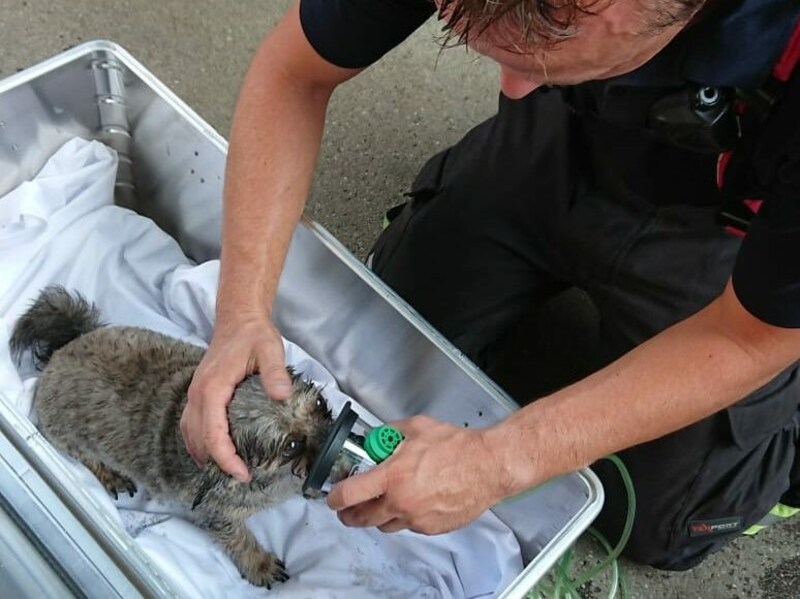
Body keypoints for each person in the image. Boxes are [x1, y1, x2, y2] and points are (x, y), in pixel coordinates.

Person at [180, 0, 800, 570]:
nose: (510, 88)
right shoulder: (541, 79)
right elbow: (294, 72)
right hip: (572, 138)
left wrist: (500, 461)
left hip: (735, 228)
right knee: (386, 353)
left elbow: (751, 338)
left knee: (655, 527)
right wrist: (239, 311)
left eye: (538, 58)